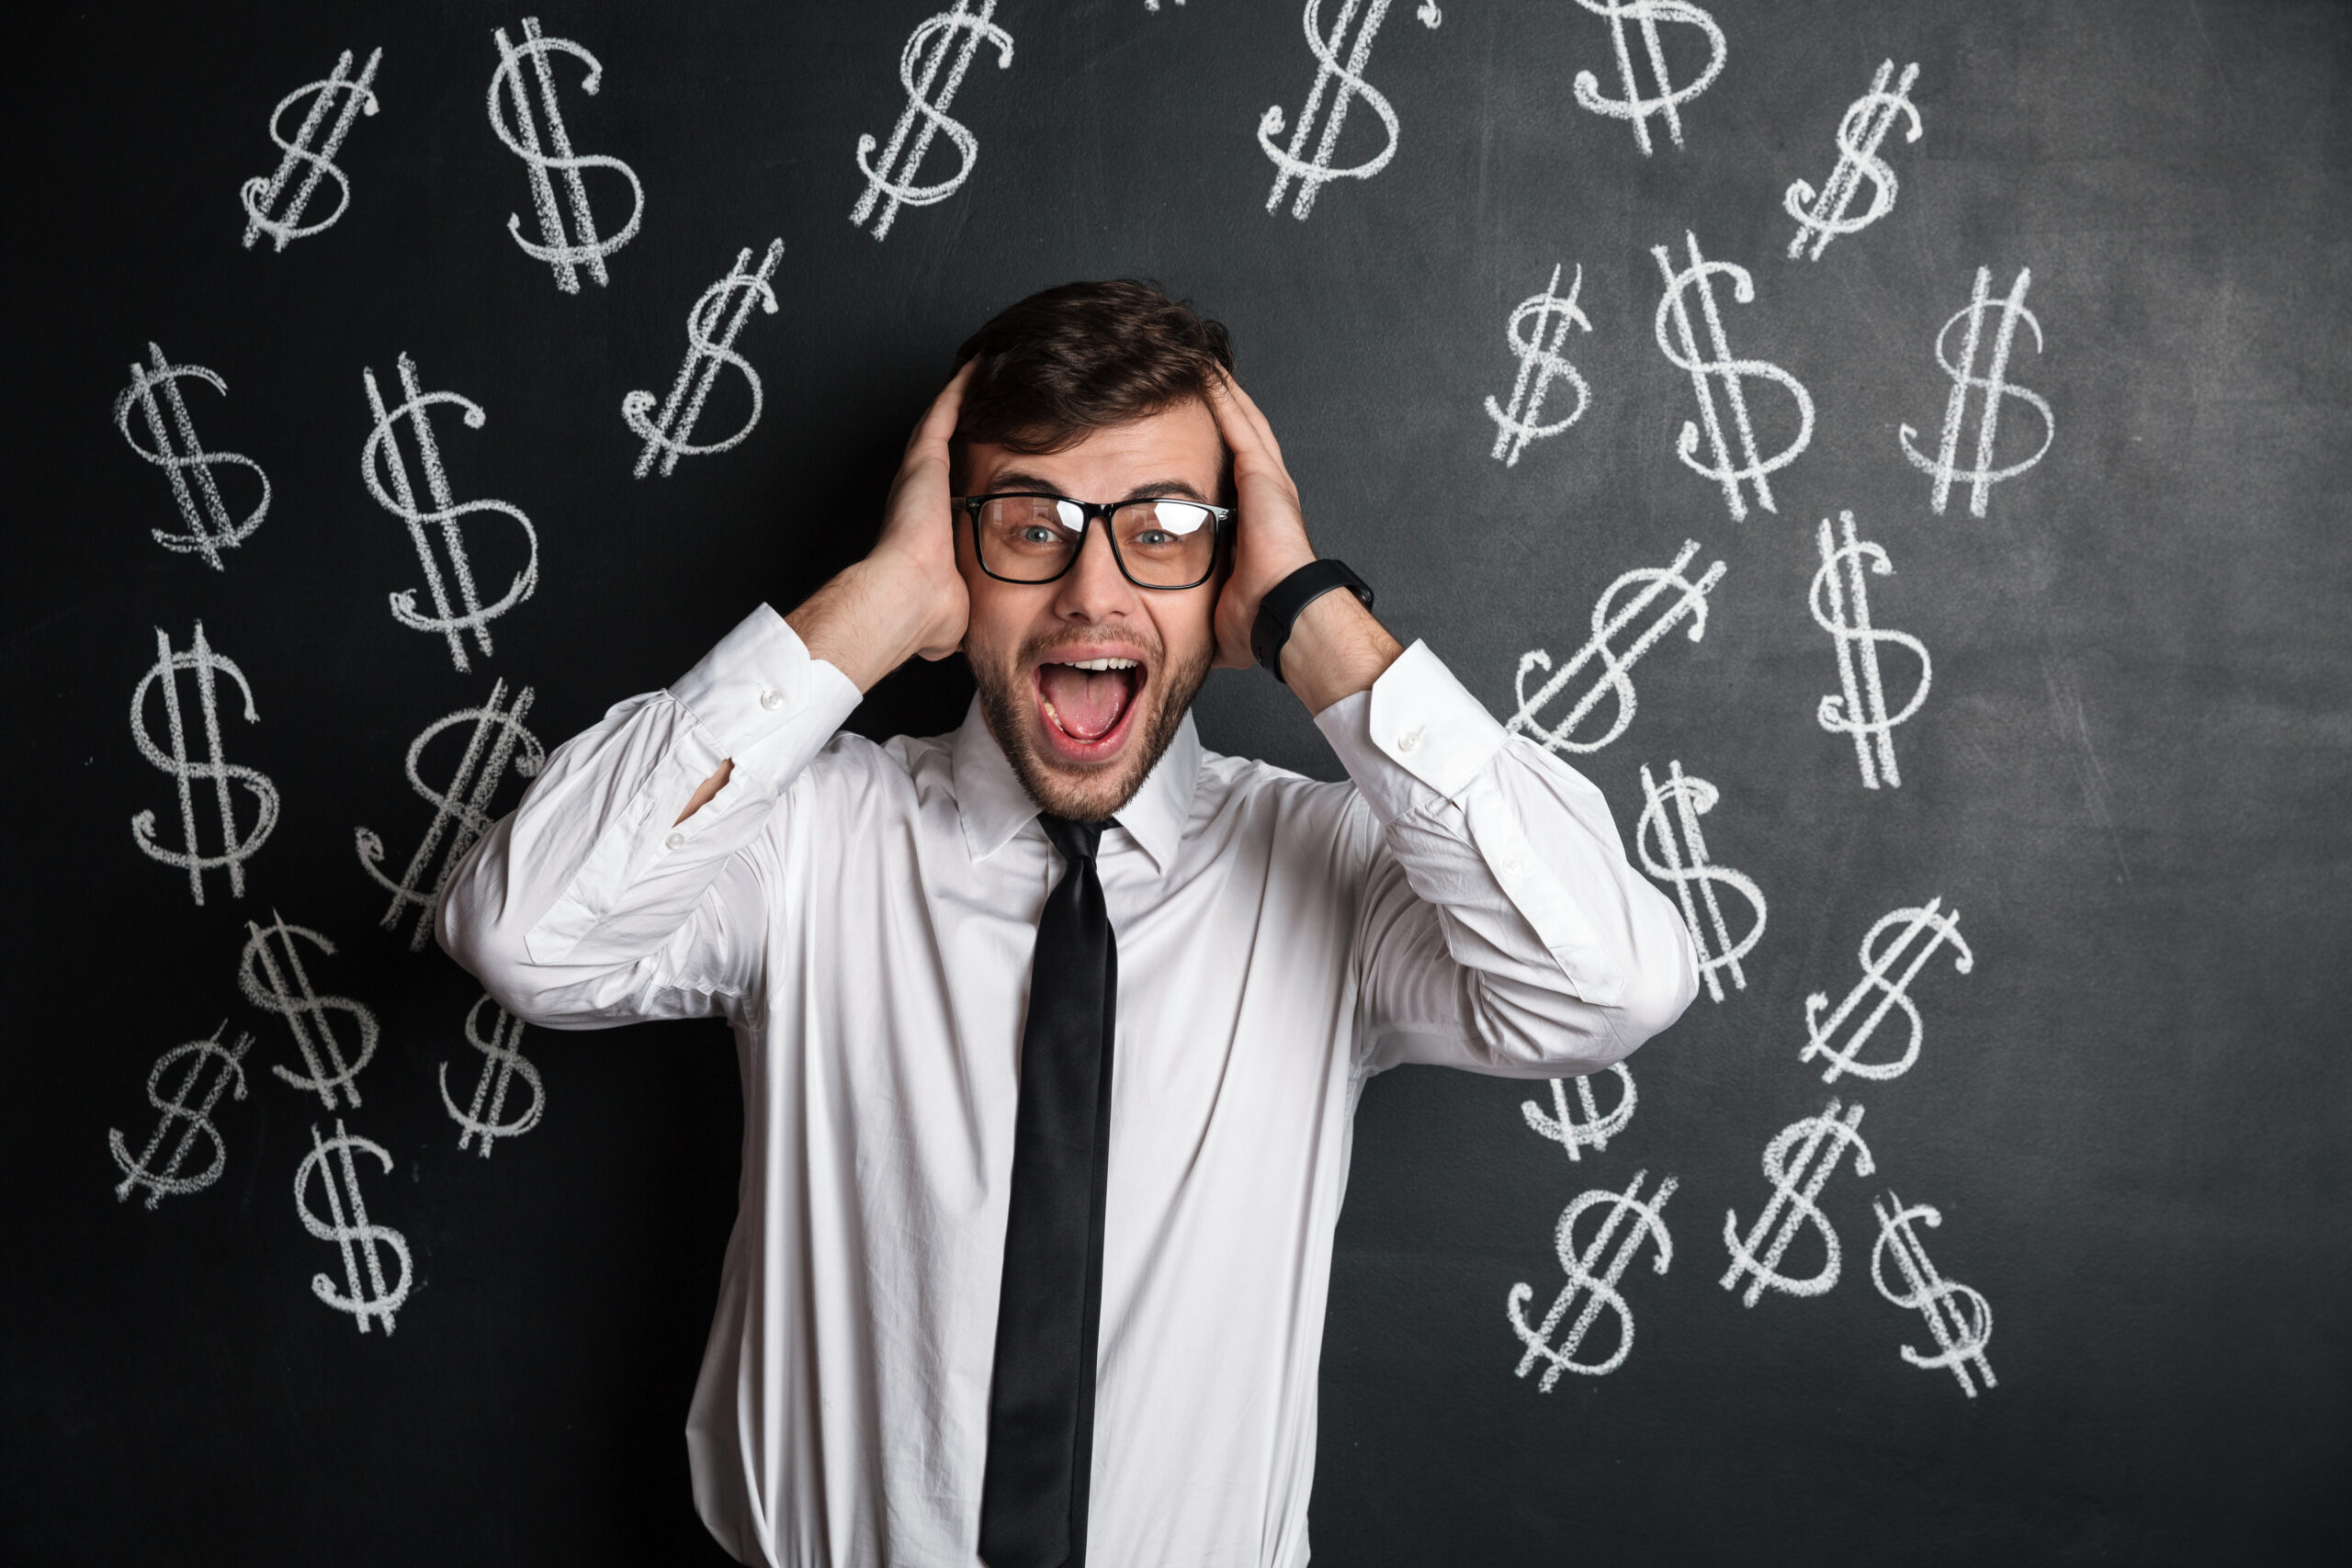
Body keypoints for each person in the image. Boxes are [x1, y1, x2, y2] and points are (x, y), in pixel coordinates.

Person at [438, 280, 1698, 1568]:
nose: (1092, 594)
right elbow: (527, 933)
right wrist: (877, 605)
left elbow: (1610, 986)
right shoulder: (809, 842)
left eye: (1161, 531)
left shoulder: (1335, 871)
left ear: (1228, 570)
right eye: (1029, 528)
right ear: (952, 555)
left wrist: (1311, 612)